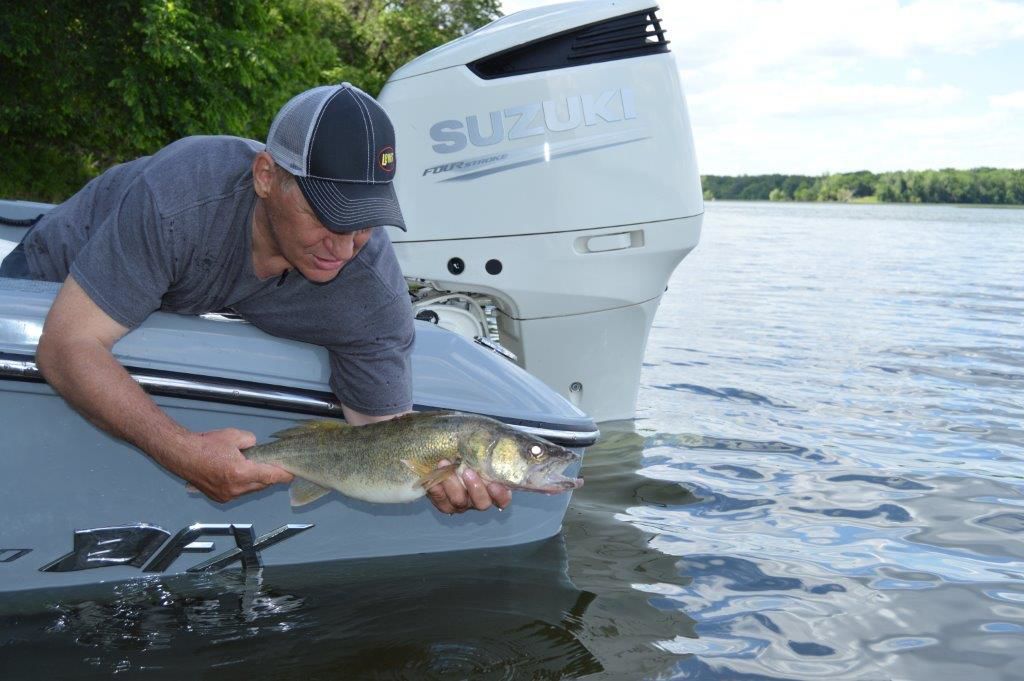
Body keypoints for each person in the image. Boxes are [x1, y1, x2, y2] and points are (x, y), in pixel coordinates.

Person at [0, 83, 510, 514]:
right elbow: (66, 346)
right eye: (328, 215)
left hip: (169, 305)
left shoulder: (369, 288)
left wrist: (435, 474)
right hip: (51, 281)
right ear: (266, 176)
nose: (344, 245)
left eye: (364, 221)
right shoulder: (180, 197)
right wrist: (182, 451)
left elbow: (382, 436)